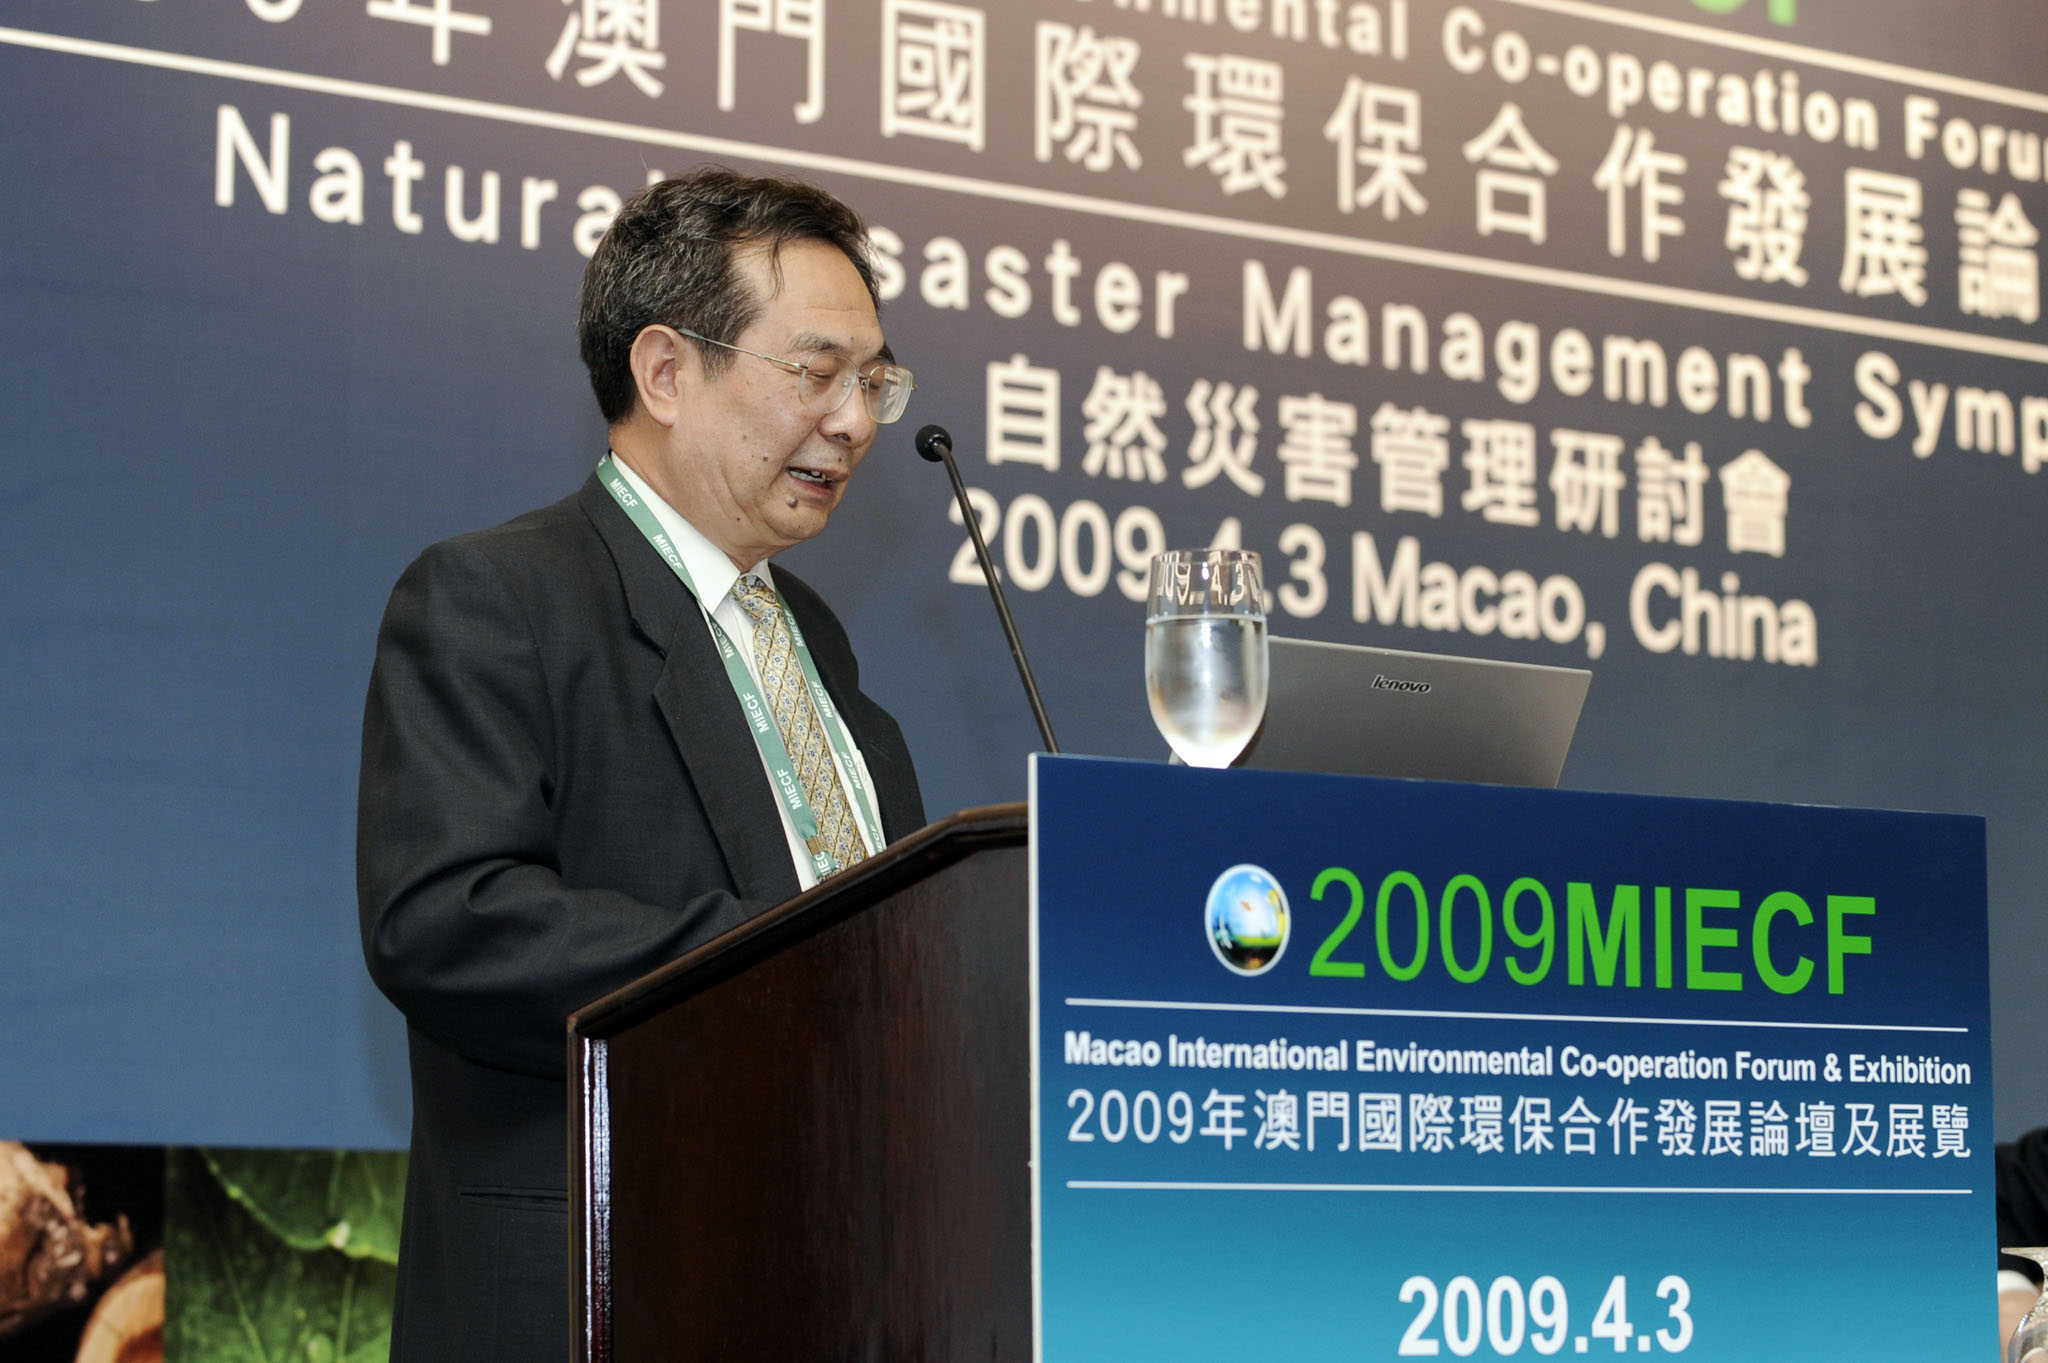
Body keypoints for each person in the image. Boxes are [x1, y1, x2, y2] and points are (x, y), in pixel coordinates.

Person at [357, 167, 926, 1363]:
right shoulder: (497, 598)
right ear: (665, 372)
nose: (854, 421)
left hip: (834, 1279)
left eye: (872, 381)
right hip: (605, 1288)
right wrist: (804, 968)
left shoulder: (814, 640)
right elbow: (448, 919)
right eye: (816, 372)